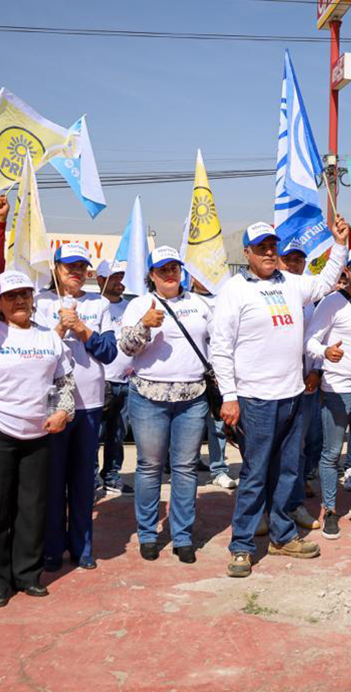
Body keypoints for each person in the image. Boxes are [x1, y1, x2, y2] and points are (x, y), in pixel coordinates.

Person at [212, 219, 349, 578]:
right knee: (255, 474)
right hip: (255, 398)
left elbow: (324, 282)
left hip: (292, 395)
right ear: (247, 253)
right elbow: (221, 349)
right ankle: (241, 545)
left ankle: (282, 534)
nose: (269, 252)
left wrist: (339, 244)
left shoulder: (291, 283)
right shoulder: (234, 290)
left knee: (288, 472)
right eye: (261, 247)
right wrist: (229, 396)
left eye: (272, 245)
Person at [0, 271, 75, 607]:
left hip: (37, 433)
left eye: (25, 294)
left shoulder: (50, 338)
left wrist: (63, 412)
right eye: (11, 296)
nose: (19, 300)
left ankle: (27, 574)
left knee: (32, 508)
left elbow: (65, 382)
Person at [119, 247, 212, 564]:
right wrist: (144, 325)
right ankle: (147, 533)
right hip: (148, 398)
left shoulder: (199, 304)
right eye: (163, 270)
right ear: (151, 276)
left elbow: (216, 345)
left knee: (185, 469)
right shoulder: (138, 305)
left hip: (192, 398)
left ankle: (182, 535)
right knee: (149, 467)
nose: (170, 274)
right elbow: (127, 348)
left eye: (174, 268)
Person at [35, 243, 118, 571]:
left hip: (89, 403)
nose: (75, 272)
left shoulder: (99, 303)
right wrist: (59, 329)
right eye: (69, 266)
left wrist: (82, 330)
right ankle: (52, 549)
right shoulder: (41, 302)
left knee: (83, 481)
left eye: (81, 266)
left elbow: (110, 352)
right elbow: (36, 351)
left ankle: (82, 547)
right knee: (53, 481)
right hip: (53, 406)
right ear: (55, 268)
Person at [305, 246, 351, 539]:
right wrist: (325, 352)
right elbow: (310, 340)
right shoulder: (332, 303)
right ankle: (330, 510)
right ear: (346, 271)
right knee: (332, 454)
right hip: (336, 390)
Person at [278, 239, 324, 531]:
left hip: (305, 386)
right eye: (289, 259)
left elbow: (319, 338)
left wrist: (316, 371)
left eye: (299, 259)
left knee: (298, 449)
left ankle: (293, 506)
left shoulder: (312, 302)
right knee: (270, 454)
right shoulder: (268, 294)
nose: (294, 264)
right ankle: (266, 509)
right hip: (273, 387)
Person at [192, 276, 236, 490]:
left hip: (217, 374)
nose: (205, 277)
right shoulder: (187, 300)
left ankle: (218, 469)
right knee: (191, 425)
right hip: (191, 375)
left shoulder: (225, 299)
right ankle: (186, 466)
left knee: (218, 425)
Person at [96, 260, 135, 496]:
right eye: (113, 278)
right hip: (101, 382)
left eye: (121, 277)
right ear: (100, 280)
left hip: (126, 381)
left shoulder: (130, 306)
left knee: (118, 435)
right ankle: (91, 479)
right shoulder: (95, 306)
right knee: (95, 436)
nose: (119, 282)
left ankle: (111, 475)